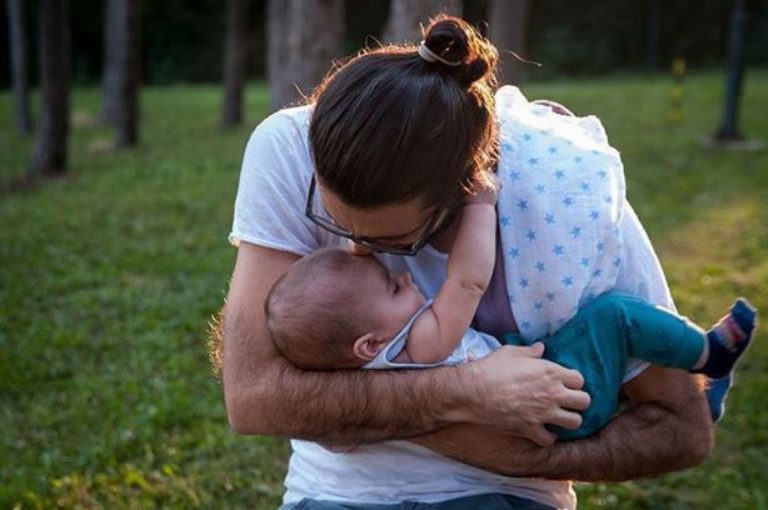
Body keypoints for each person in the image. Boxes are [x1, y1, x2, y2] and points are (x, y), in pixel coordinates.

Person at [223, 15, 720, 510]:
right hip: (336, 495)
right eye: (336, 225)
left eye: (395, 239)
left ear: (467, 189)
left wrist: (518, 460)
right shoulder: (290, 149)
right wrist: (469, 394)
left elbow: (682, 427)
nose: (360, 251)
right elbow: (254, 397)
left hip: (507, 495)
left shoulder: (570, 198)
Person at [266, 243, 756, 441]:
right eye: (394, 287)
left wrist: (362, 247)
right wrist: (480, 200)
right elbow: (468, 282)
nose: (407, 278)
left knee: (588, 334)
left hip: (539, 385)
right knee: (613, 316)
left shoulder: (377, 354)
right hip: (560, 402)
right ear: (369, 345)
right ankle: (709, 355)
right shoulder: (420, 342)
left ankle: (703, 394)